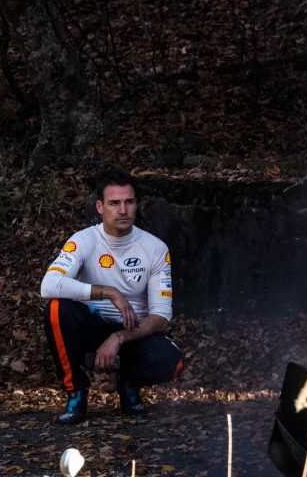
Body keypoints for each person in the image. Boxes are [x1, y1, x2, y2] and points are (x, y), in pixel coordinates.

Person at [39, 168, 182, 425]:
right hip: (92, 327)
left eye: (129, 202)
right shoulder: (84, 240)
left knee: (172, 361)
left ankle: (129, 381)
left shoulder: (155, 248)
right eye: (114, 203)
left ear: (136, 204)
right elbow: (48, 285)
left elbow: (161, 317)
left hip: (132, 331)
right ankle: (76, 392)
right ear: (100, 207)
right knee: (57, 308)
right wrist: (108, 292)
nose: (123, 210)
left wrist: (118, 337)